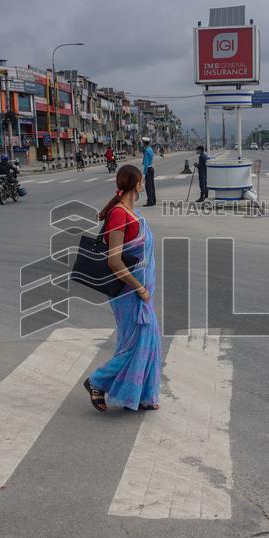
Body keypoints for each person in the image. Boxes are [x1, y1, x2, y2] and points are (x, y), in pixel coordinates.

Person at [83, 164, 162, 412]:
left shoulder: (129, 211)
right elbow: (114, 261)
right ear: (138, 184)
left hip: (139, 292)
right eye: (141, 182)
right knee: (135, 345)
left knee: (148, 341)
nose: (142, 186)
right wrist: (139, 287)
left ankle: (140, 395)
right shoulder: (118, 214)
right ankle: (97, 382)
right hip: (127, 292)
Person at [141, 136, 156, 207]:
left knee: (148, 186)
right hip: (151, 168)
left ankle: (150, 201)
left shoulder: (146, 150)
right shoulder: (150, 149)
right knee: (152, 185)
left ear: (144, 143)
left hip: (148, 169)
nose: (142, 144)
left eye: (143, 143)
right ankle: (153, 200)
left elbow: (146, 163)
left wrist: (144, 173)